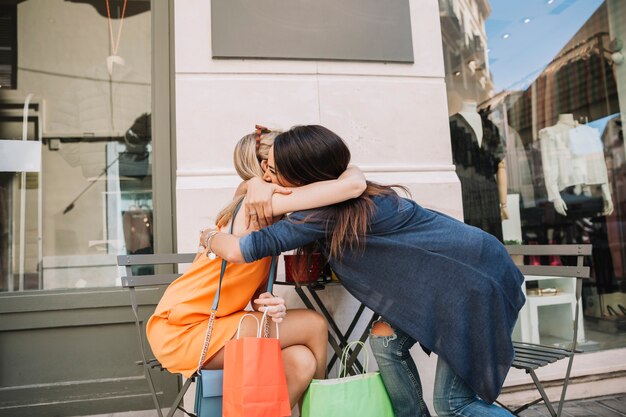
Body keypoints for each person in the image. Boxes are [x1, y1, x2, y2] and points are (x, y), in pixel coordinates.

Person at [204, 125, 526, 417]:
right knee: (385, 341)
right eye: (263, 169)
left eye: (272, 171)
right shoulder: (348, 191)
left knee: (454, 404)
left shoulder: (321, 214)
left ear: (302, 179)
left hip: (472, 281)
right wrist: (256, 183)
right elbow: (349, 176)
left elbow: (237, 250)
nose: (267, 176)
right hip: (459, 273)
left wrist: (208, 236)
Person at [145, 126, 367, 408]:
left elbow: (247, 287)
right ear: (266, 168)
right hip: (185, 328)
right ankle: (323, 411)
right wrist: (256, 186)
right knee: (314, 324)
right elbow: (351, 184)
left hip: (207, 323)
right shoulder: (260, 208)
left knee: (301, 360)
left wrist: (267, 303)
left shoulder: (261, 207)